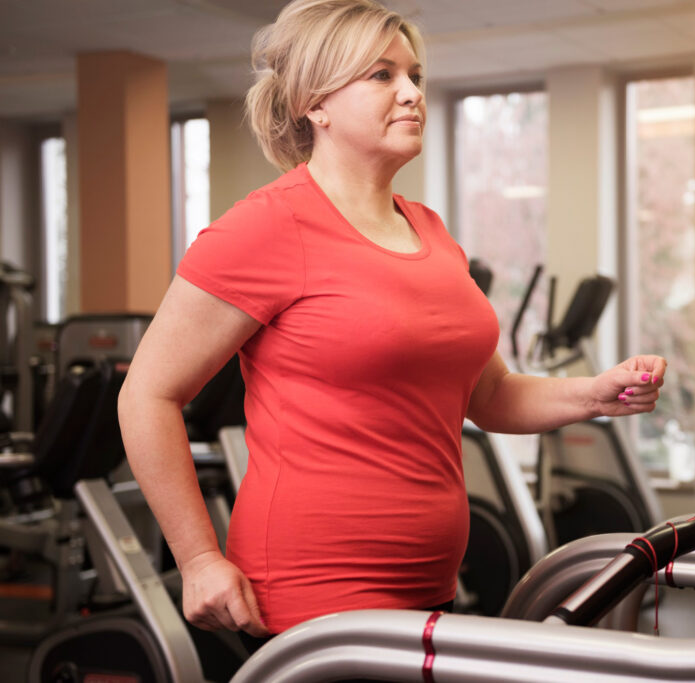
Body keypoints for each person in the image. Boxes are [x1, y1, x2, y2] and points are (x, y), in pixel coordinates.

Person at [118, 0, 667, 651]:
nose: (411, 94)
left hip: (429, 585)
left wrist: (592, 394)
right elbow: (146, 393)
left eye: (415, 75)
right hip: (311, 595)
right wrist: (198, 557)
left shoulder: (429, 230)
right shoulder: (265, 227)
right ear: (314, 104)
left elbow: (486, 395)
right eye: (381, 76)